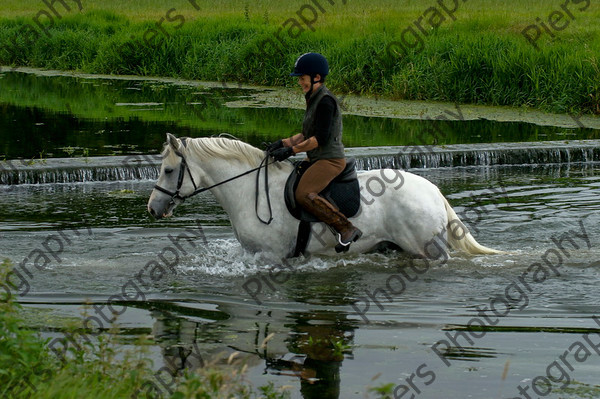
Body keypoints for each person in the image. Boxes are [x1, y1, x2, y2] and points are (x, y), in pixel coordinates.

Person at [267, 52, 362, 248]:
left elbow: (319, 139)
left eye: (302, 78)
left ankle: (346, 228)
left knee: (304, 193)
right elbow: (305, 135)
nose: (300, 82)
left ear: (316, 77)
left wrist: (291, 151)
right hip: (317, 158)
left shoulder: (326, 101)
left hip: (330, 160)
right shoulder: (313, 98)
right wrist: (281, 143)